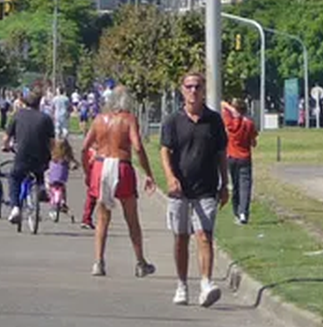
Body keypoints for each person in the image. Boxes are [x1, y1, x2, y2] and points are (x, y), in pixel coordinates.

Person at [161, 71, 229, 307]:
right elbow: (165, 152)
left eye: (197, 86)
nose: (193, 91)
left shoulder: (214, 121)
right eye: (188, 86)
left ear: (203, 90)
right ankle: (181, 285)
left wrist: (225, 184)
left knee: (204, 235)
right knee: (181, 237)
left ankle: (206, 284)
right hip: (180, 190)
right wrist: (170, 177)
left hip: (206, 187)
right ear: (182, 90)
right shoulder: (173, 121)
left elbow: (221, 153)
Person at [82, 86, 158, 278]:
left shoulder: (99, 119)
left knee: (102, 217)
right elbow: (138, 147)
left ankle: (98, 262)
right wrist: (148, 172)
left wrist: (88, 171)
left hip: (100, 164)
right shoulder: (128, 119)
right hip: (121, 164)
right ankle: (140, 262)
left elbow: (85, 147)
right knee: (131, 218)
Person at [2, 91, 55, 225]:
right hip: (41, 156)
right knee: (41, 170)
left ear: (25, 103)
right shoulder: (46, 118)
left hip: (22, 155)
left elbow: (6, 138)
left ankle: (15, 207)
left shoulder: (17, 115)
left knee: (14, 177)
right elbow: (52, 142)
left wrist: (6, 146)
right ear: (39, 103)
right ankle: (41, 186)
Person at [222, 98, 257, 224]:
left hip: (231, 156)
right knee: (245, 186)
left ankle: (236, 212)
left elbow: (223, 105)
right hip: (245, 157)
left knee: (235, 186)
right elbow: (253, 142)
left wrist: (232, 109)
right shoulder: (249, 123)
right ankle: (243, 213)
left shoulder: (230, 122)